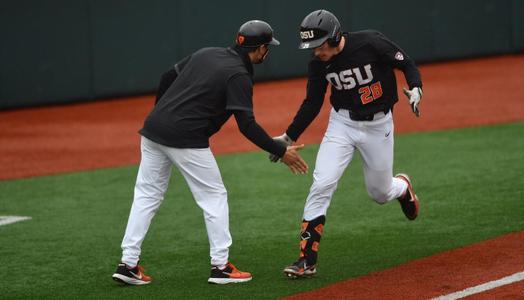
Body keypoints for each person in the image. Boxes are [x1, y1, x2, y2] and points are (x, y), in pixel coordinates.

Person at [111, 20, 309, 286]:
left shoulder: (207, 52)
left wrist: (163, 113)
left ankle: (128, 263)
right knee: (214, 196)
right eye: (267, 47)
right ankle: (221, 267)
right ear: (260, 48)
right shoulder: (239, 74)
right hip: (186, 139)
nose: (267, 52)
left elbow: (167, 77)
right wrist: (281, 151)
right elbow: (246, 126)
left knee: (147, 195)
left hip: (153, 130)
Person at [269, 10, 423, 278]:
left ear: (335, 36)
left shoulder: (370, 42)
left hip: (378, 126)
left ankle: (403, 188)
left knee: (380, 193)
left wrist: (416, 87)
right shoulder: (318, 64)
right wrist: (289, 136)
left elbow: (406, 63)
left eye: (319, 45)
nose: (316, 52)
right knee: (322, 183)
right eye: (311, 47)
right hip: (342, 125)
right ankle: (307, 260)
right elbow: (313, 102)